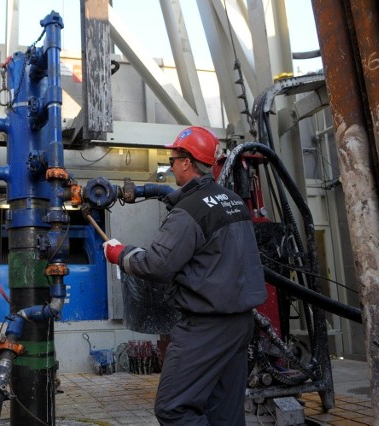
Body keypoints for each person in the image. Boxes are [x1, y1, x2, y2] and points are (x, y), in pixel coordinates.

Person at [103, 126, 267, 425]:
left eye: (173, 158)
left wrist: (119, 254)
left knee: (173, 408)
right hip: (240, 323)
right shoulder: (233, 202)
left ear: (187, 162)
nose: (171, 164)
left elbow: (157, 264)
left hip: (205, 327)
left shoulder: (189, 209)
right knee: (225, 412)